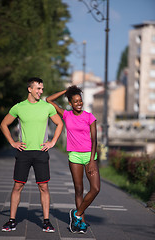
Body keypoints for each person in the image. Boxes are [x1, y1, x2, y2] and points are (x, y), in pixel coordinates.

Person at [0, 77, 63, 233]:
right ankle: (12, 220)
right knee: (18, 186)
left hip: (41, 152)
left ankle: (46, 222)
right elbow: (3, 124)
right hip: (23, 152)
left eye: (42, 89)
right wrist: (12, 142)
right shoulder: (19, 107)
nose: (41, 91)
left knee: (44, 187)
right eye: (38, 89)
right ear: (30, 89)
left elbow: (60, 123)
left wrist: (53, 142)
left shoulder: (47, 107)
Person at [46, 85, 100, 234]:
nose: (79, 104)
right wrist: (67, 91)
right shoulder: (66, 115)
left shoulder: (90, 116)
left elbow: (94, 140)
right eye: (75, 101)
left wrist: (91, 161)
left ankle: (76, 214)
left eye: (80, 101)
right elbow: (48, 99)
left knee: (95, 188)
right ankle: (81, 223)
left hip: (89, 155)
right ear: (70, 103)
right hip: (74, 155)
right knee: (79, 190)